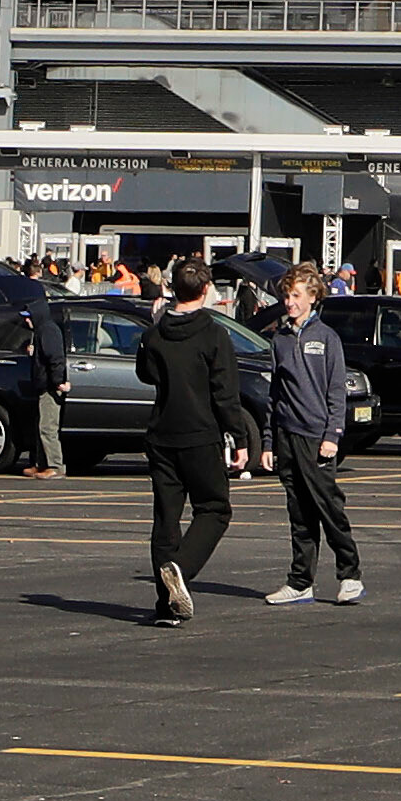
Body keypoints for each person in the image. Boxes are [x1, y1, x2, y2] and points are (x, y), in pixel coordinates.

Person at [134, 252, 263, 623]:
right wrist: (239, 440)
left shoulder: (157, 332)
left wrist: (153, 330)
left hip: (162, 433)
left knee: (166, 518)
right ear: (206, 290)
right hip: (200, 433)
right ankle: (180, 569)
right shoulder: (212, 333)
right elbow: (225, 392)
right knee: (214, 509)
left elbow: (146, 373)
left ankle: (167, 604)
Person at [256, 263, 364, 608]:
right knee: (299, 512)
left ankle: (350, 575)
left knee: (328, 507)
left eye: (296, 296)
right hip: (287, 434)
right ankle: (300, 581)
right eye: (287, 296)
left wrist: (332, 433)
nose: (290, 302)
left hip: (316, 437)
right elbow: (274, 395)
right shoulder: (280, 339)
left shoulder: (326, 338)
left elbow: (336, 390)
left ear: (313, 297)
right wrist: (270, 441)